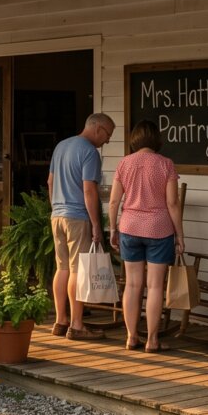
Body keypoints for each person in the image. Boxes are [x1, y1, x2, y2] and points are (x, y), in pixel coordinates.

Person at [108, 120, 184, 353]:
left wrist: (113, 229)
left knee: (132, 284)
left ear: (134, 140)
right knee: (154, 287)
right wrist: (180, 235)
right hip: (159, 229)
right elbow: (172, 202)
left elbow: (113, 201)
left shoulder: (124, 163)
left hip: (130, 227)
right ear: (156, 139)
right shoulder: (166, 164)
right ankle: (152, 340)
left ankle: (131, 337)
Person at [47, 112, 115, 341]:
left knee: (62, 268)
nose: (107, 141)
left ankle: (60, 320)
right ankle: (76, 325)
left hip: (57, 215)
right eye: (108, 135)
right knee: (78, 270)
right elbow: (89, 190)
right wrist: (96, 224)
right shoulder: (89, 152)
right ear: (97, 128)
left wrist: (56, 207)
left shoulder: (61, 146)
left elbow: (50, 182)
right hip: (77, 216)